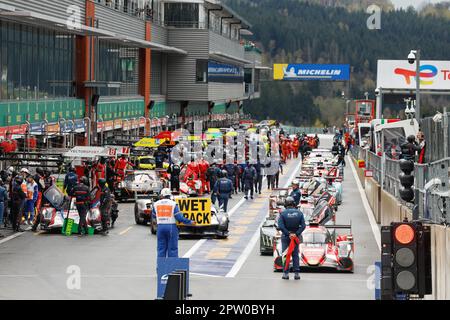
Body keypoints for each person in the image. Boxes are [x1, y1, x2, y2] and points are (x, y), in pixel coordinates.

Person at [152, 188, 195, 258]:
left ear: (162, 195)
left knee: (161, 249)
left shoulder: (156, 204)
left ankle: (161, 268)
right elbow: (179, 217)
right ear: (170, 195)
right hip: (171, 227)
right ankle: (172, 267)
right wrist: (190, 221)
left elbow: (153, 216)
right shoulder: (173, 204)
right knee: (172, 249)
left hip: (160, 228)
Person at [277, 196, 306, 280]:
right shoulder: (299, 213)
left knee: (285, 255)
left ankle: (285, 273)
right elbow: (303, 226)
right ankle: (296, 273)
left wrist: (288, 233)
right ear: (294, 204)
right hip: (296, 237)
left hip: (286, 237)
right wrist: (296, 234)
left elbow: (281, 226)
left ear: (285, 204)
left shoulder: (283, 213)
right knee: (295, 255)